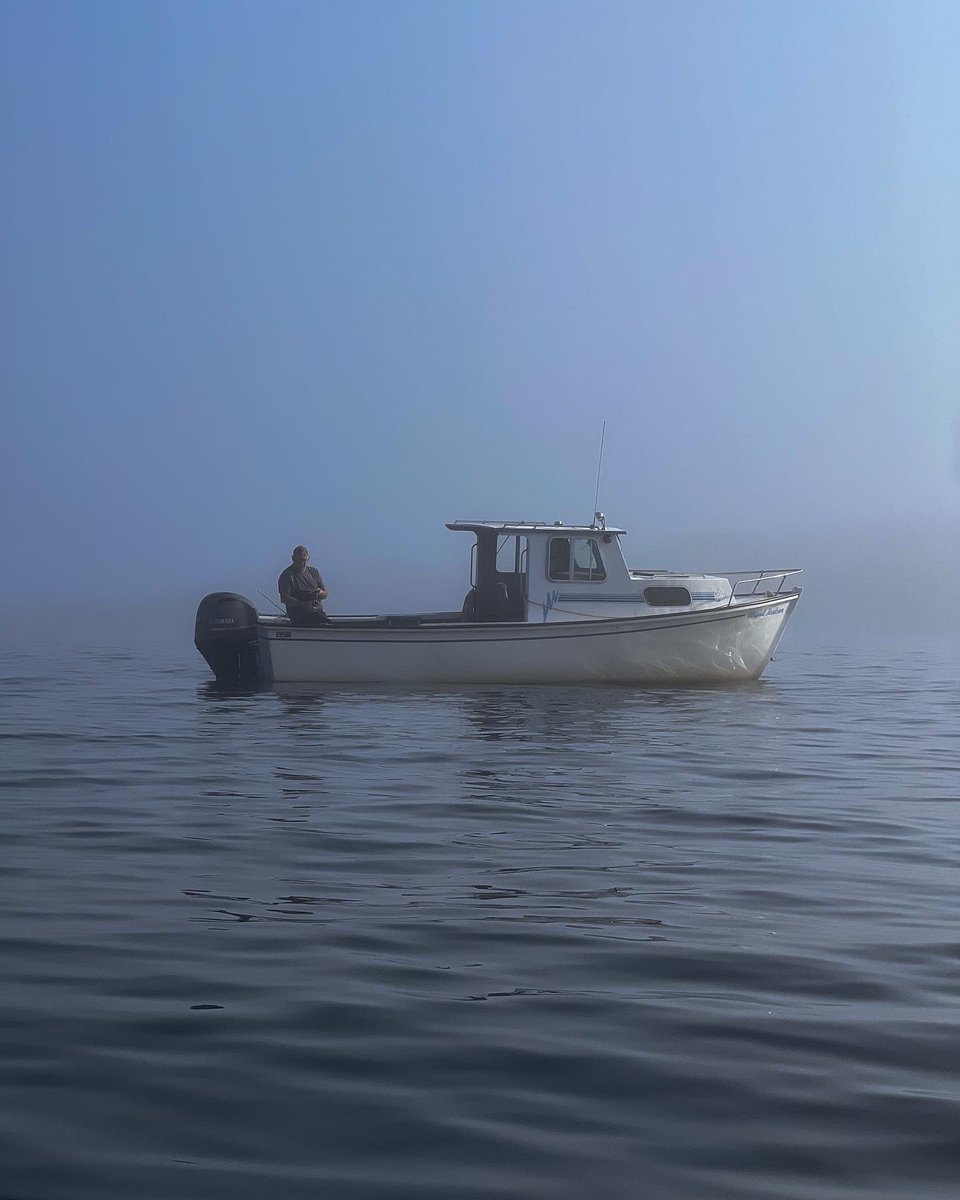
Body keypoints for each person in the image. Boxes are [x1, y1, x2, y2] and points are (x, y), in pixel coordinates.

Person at [278, 545, 330, 624]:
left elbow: (325, 592)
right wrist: (303, 604)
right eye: (299, 560)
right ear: (293, 558)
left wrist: (321, 593)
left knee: (325, 622)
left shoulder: (314, 572)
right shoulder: (287, 575)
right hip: (300, 616)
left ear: (308, 558)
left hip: (317, 612)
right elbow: (284, 598)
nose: (302, 563)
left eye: (303, 560)